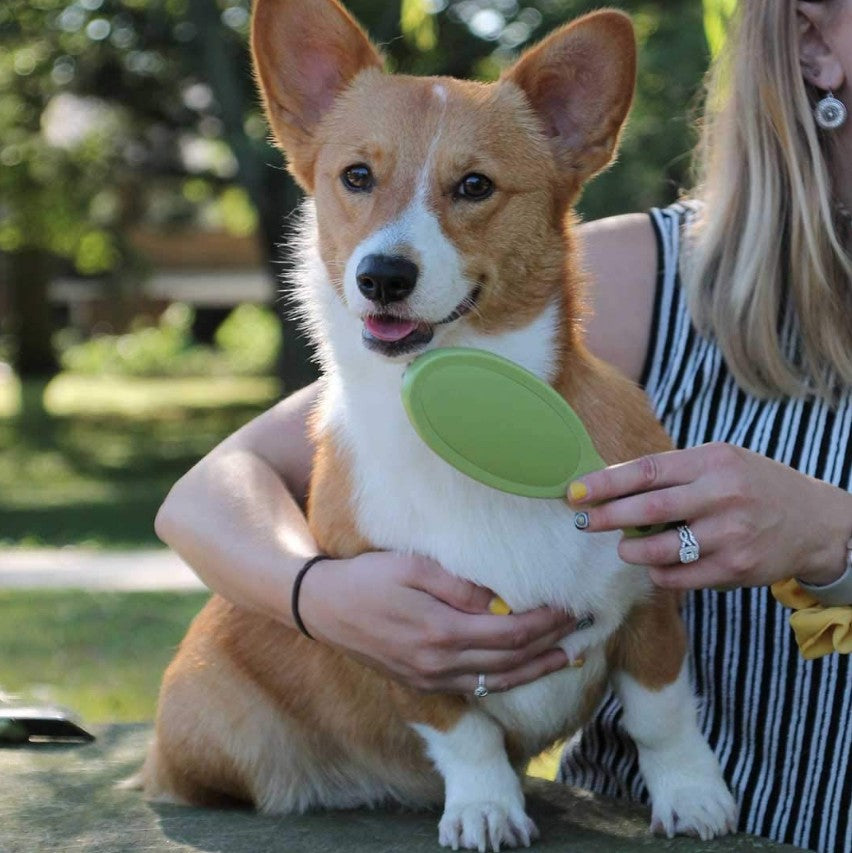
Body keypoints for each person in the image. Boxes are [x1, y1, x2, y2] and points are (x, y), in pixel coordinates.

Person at [154, 1, 852, 850]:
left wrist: (834, 537)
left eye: (473, 188)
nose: (390, 249)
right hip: (621, 827)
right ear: (819, 44)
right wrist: (323, 597)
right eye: (361, 180)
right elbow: (205, 495)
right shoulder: (655, 274)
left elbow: (647, 603)